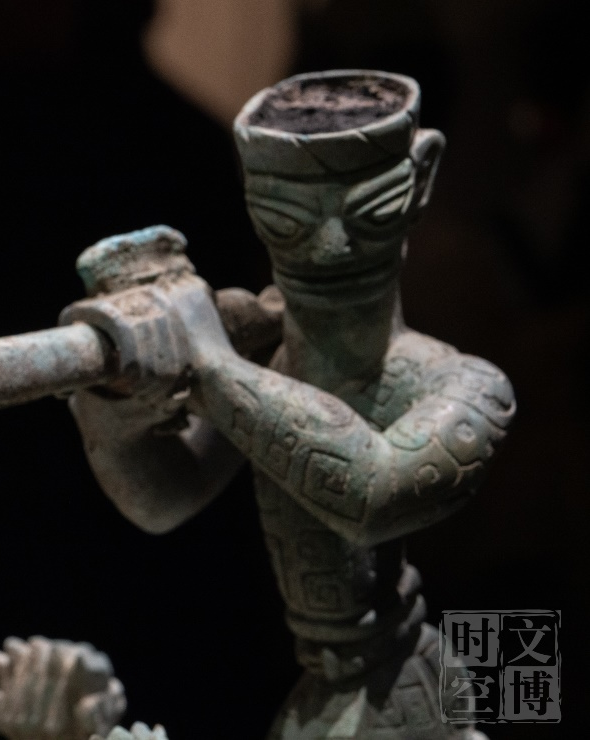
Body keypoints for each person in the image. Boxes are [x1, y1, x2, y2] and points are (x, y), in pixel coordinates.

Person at [68, 71, 511, 738]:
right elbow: (163, 499)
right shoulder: (268, 366)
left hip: (404, 688)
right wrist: (115, 409)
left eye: (368, 211)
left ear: (420, 176)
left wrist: (207, 360)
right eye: (286, 221)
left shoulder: (463, 385)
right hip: (318, 697)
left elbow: (372, 493)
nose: (329, 249)